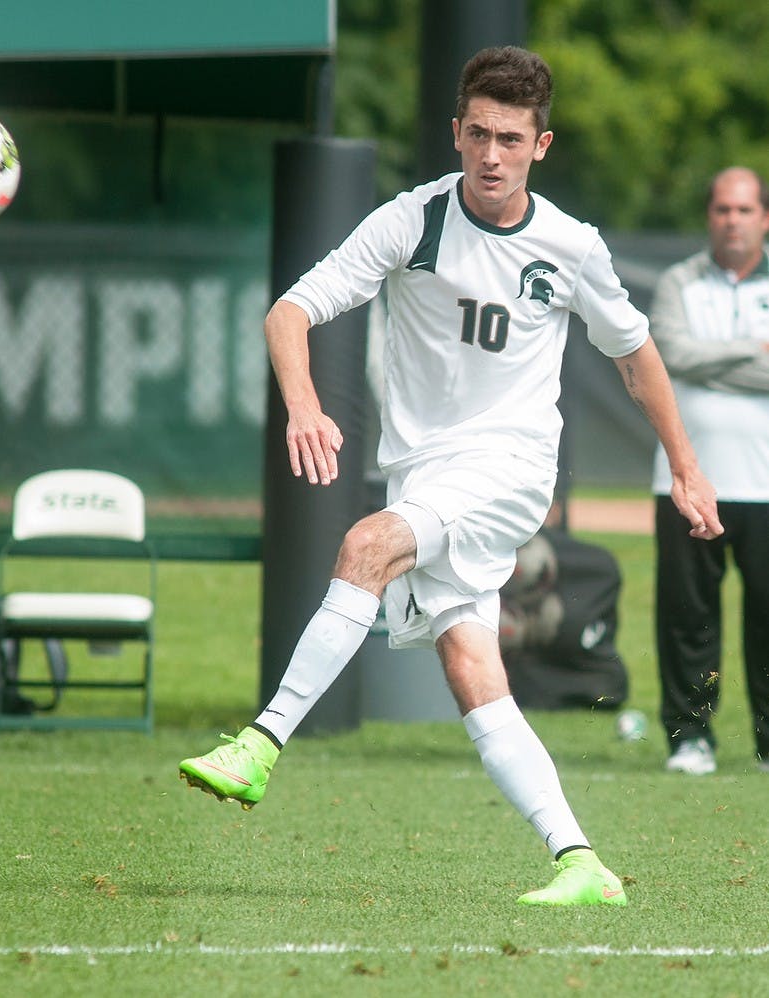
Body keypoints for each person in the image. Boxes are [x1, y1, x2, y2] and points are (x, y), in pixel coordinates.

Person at [180, 46, 722, 905]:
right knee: (474, 671)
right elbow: (290, 311)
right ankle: (581, 862)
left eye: (512, 138)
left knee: (365, 545)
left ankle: (261, 743)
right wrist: (304, 403)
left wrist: (687, 469)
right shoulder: (413, 220)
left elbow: (635, 355)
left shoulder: (572, 246)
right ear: (456, 132)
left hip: (509, 467)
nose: (493, 156)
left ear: (542, 145)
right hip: (424, 470)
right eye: (478, 134)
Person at [650, 167, 769, 776]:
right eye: (723, 209)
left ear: (764, 218)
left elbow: (697, 361)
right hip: (688, 479)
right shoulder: (677, 282)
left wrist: (709, 361)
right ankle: (689, 736)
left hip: (765, 483)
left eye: (745, 210)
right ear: (709, 216)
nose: (733, 220)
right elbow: (672, 356)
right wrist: (754, 351)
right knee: (687, 613)